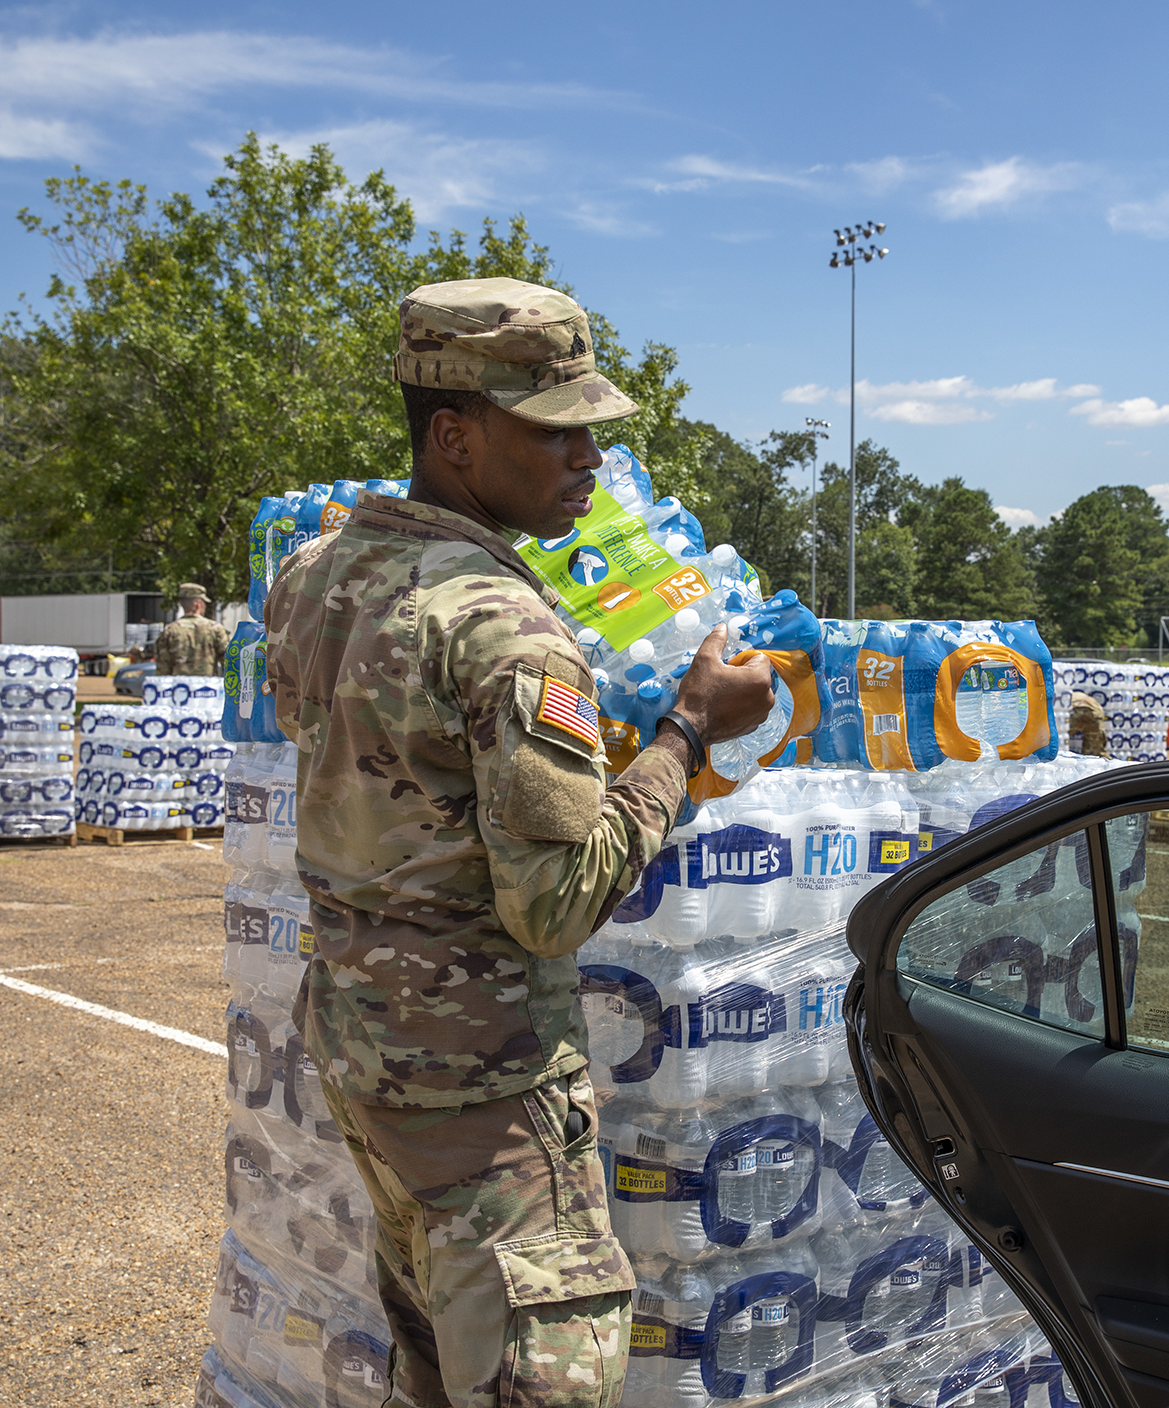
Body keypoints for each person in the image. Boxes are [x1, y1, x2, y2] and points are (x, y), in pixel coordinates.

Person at [263, 276, 776, 1408]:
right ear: (455, 436)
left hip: (365, 1048)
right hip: (480, 1091)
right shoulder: (506, 627)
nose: (587, 455)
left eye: (592, 428)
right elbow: (556, 900)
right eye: (555, 430)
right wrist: (685, 733)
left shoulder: (310, 578)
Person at [154, 583, 231, 676]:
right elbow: (228, 662)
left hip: (179, 688)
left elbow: (163, 668)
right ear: (198, 604)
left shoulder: (169, 630)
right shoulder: (215, 628)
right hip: (208, 688)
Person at [1065, 690, 1109, 757]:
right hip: (1095, 712)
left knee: (1061, 739)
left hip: (1076, 711)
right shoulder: (1077, 695)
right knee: (1097, 749)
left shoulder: (1064, 696)